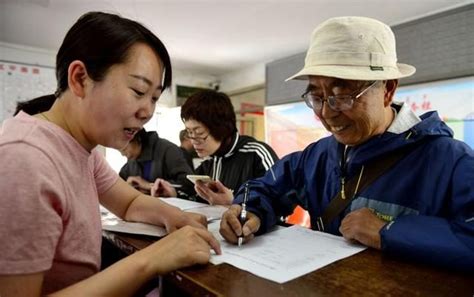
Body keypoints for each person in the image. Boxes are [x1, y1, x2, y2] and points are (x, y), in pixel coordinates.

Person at [220, 16, 474, 271]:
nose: (327, 114)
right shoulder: (318, 155)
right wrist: (248, 211)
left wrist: (390, 232)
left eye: (343, 96)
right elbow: (266, 187)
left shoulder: (451, 161)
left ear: (388, 91)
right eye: (317, 97)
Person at [0, 11, 220, 297]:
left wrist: (173, 216)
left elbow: (128, 203)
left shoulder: (81, 148)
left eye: (154, 97)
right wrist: (151, 260)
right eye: (138, 90)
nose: (147, 112)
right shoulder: (25, 159)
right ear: (80, 78)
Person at [166, 89, 279, 205]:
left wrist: (234, 202)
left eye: (199, 132)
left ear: (220, 128)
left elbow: (280, 204)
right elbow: (194, 198)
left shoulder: (257, 155)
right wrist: (174, 193)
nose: (193, 140)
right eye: (189, 132)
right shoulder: (209, 162)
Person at [119, 128, 193, 196]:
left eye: (124, 149)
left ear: (137, 139)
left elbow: (188, 183)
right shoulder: (132, 159)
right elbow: (119, 181)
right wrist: (127, 186)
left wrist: (150, 185)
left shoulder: (168, 150)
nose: (122, 154)